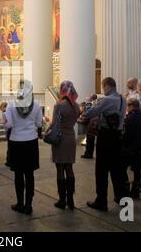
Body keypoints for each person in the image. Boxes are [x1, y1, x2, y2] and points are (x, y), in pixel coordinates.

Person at [85, 77, 127, 211]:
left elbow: (90, 113)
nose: (103, 90)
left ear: (107, 86)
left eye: (103, 87)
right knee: (117, 169)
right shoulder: (122, 99)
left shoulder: (107, 100)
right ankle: (120, 197)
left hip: (106, 136)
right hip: (118, 136)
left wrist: (89, 101)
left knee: (101, 169)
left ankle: (101, 201)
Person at [5, 80, 43, 215]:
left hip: (16, 142)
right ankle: (29, 204)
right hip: (31, 143)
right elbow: (39, 124)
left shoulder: (11, 105)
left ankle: (20, 203)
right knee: (30, 174)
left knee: (18, 175)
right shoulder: (37, 105)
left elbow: (8, 125)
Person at [51, 81, 80, 210]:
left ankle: (62, 200)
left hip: (60, 138)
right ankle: (71, 200)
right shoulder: (76, 106)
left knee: (60, 168)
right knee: (69, 167)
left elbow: (53, 124)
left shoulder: (59, 106)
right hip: (71, 137)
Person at [122, 99, 141, 199]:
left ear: (131, 106)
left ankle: (125, 189)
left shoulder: (131, 117)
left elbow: (127, 134)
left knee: (122, 168)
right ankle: (136, 191)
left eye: (127, 106)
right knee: (137, 170)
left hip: (131, 147)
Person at [0, 102, 11, 167]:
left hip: (8, 130)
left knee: (9, 147)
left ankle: (9, 161)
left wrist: (6, 131)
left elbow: (5, 123)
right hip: (10, 130)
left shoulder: (5, 113)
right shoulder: (9, 112)